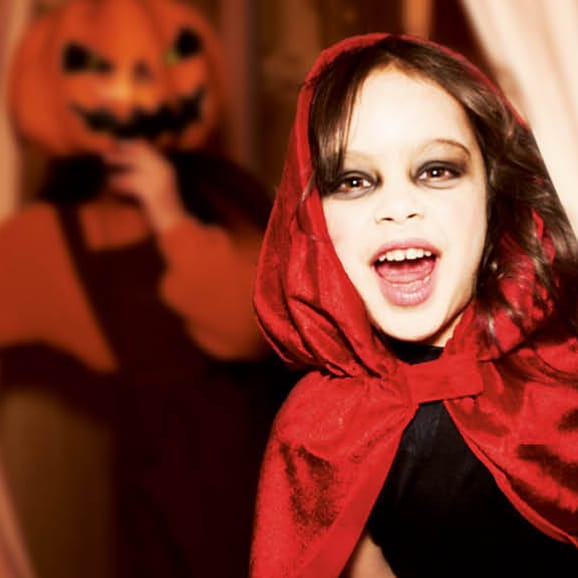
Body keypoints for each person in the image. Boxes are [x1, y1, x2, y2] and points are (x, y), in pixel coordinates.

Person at [250, 33, 578, 578]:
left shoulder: (565, 375)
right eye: (354, 180)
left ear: (494, 192)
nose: (399, 207)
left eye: (436, 170)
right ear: (312, 221)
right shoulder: (322, 433)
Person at [0, 1, 294, 577]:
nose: (131, 88)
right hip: (169, 518)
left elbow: (245, 327)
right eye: (95, 66)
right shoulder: (52, 237)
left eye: (167, 58)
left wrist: (169, 216)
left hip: (280, 494)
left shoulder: (229, 194)